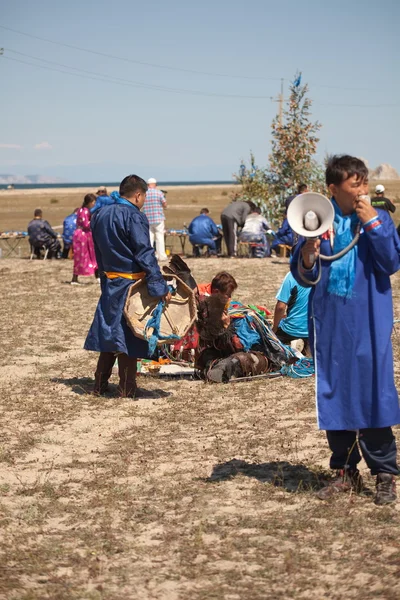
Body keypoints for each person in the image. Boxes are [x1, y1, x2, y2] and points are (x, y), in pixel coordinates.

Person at [291, 154, 400, 505]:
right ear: (333, 189)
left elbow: (391, 262)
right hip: (332, 323)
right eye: (356, 185)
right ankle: (344, 471)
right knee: (335, 391)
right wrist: (308, 255)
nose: (362, 190)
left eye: (365, 183)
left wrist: (374, 226)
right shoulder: (318, 222)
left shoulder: (378, 217)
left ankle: (385, 473)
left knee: (373, 393)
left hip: (368, 319)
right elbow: (304, 274)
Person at [84, 175, 170, 398]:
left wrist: (104, 276)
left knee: (110, 332)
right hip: (130, 284)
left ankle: (99, 385)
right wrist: (159, 287)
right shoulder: (133, 216)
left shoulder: (100, 214)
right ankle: (127, 389)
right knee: (129, 335)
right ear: (139, 195)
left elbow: (99, 252)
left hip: (110, 282)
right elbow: (144, 253)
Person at [272, 271, 311, 355]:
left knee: (268, 341)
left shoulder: (292, 275)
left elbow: (281, 307)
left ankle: (291, 346)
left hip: (292, 331)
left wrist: (274, 328)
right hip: (316, 331)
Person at [71, 194, 98, 285]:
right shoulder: (85, 211)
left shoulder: (80, 210)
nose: (94, 204)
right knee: (89, 256)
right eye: (93, 202)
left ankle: (75, 277)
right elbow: (86, 224)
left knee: (80, 257)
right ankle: (96, 276)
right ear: (89, 202)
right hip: (83, 236)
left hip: (80, 235)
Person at [142, 177, 168, 261]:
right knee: (160, 237)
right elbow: (164, 203)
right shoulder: (159, 193)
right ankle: (162, 256)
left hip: (147, 218)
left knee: (149, 238)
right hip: (158, 218)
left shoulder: (144, 193)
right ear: (154, 184)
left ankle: (150, 256)